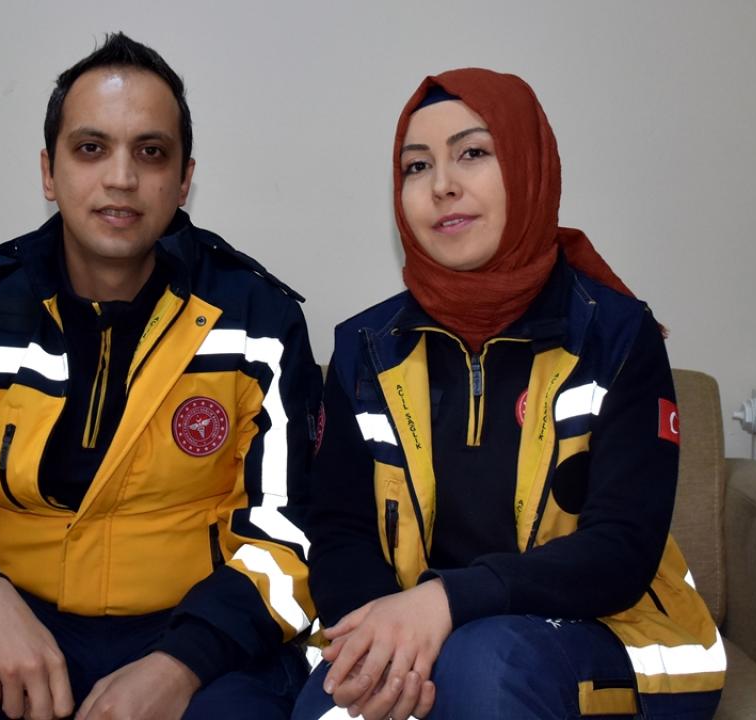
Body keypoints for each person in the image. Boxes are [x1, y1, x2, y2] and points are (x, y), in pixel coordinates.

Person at [0, 33, 321, 720]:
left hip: (188, 638)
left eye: (150, 152)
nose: (121, 178)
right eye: (91, 148)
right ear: (49, 172)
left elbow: (290, 538)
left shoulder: (259, 322)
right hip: (8, 630)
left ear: (183, 179)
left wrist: (180, 665)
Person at [293, 69, 726, 720]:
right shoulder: (366, 348)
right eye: (416, 166)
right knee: (329, 708)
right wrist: (385, 643)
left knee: (487, 665)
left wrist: (446, 602)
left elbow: (621, 548)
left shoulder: (617, 335)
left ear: (528, 168)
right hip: (420, 633)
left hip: (610, 636)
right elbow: (340, 530)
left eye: (472, 153)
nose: (442, 184)